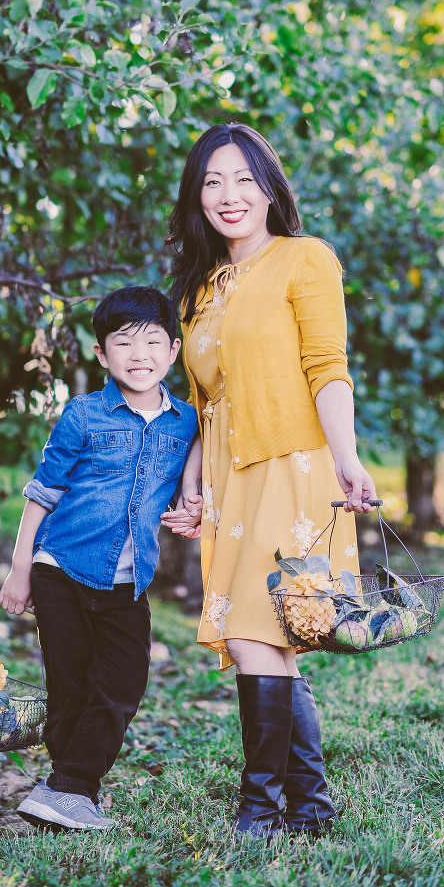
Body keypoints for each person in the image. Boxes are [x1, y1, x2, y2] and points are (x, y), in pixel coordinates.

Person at [163, 122, 377, 840]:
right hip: (229, 479)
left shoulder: (304, 259)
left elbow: (327, 366)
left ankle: (260, 807)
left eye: (244, 180)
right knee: (267, 637)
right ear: (197, 196)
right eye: (212, 181)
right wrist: (192, 484)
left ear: (269, 189)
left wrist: (347, 458)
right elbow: (204, 401)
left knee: (257, 630)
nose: (229, 195)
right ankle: (309, 806)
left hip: (294, 464)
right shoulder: (198, 289)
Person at [0, 286, 202, 831]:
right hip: (61, 568)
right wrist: (20, 570)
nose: (140, 355)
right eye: (124, 343)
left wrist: (192, 496)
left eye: (153, 342)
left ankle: (64, 789)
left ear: (174, 350)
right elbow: (43, 493)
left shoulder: (186, 421)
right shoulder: (83, 414)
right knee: (69, 688)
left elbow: (203, 452)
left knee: (123, 684)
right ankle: (70, 794)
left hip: (126, 583)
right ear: (101, 354)